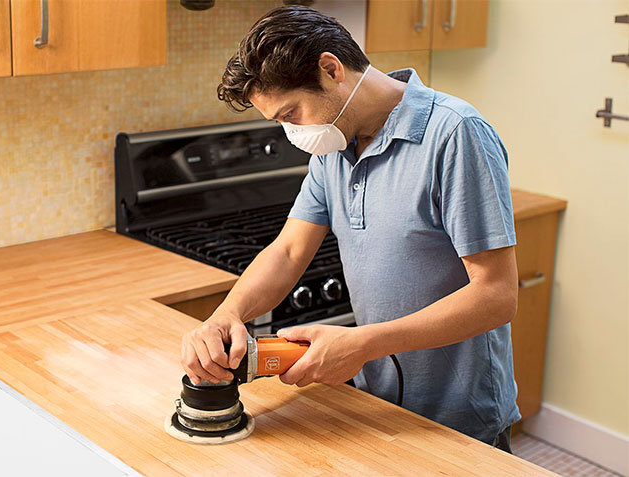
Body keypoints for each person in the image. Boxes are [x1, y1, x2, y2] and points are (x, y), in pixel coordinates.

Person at [180, 5, 520, 454]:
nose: (291, 132)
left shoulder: (456, 135)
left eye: (291, 113)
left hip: (458, 413)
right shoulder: (333, 146)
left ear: (330, 68)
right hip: (377, 403)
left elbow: (497, 294)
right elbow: (288, 252)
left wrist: (362, 344)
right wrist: (229, 313)